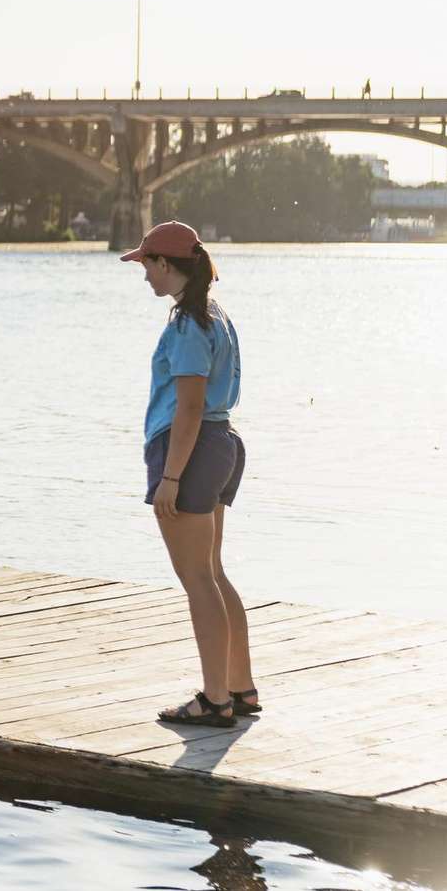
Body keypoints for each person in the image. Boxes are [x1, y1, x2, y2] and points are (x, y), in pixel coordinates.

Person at [122, 221, 255, 728]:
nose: (144, 275)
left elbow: (190, 407)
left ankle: (215, 700)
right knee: (212, 572)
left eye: (147, 264)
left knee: (198, 578)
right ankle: (239, 688)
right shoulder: (216, 315)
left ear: (166, 264)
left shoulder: (187, 324)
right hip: (222, 444)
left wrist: (171, 477)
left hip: (193, 451)